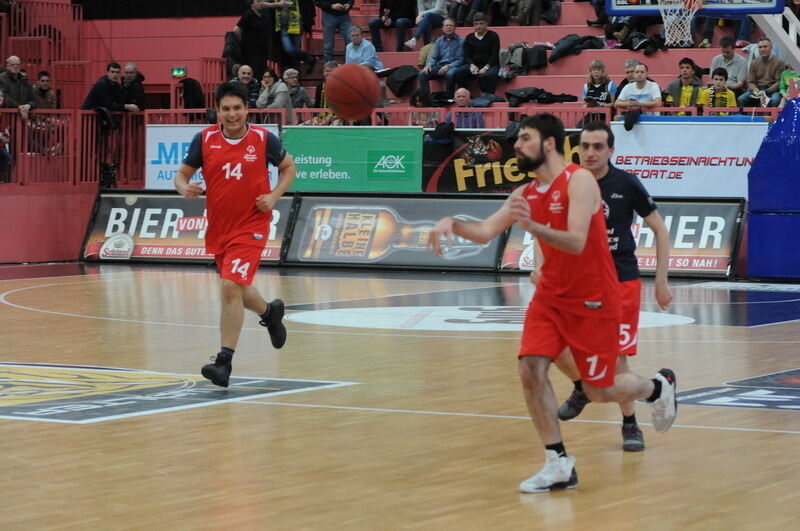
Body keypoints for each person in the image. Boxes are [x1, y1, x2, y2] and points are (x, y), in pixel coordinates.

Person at [428, 113, 677, 493]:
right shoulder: (525, 193)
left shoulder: (578, 181)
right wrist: (451, 222)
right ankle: (558, 461)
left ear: (547, 143)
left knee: (600, 390)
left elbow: (576, 241)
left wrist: (535, 228)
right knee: (530, 368)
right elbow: (483, 231)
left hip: (594, 297)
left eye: (524, 138)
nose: (516, 145)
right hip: (551, 297)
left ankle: (657, 388)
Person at [547, 121, 673, 452]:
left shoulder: (626, 183)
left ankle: (630, 424)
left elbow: (660, 229)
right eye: (585, 146)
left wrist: (661, 280)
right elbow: (547, 225)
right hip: (578, 281)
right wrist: (541, 266)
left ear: (610, 151)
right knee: (553, 347)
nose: (590, 152)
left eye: (598, 147)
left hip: (620, 280)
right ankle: (582, 386)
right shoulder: (566, 182)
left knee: (617, 363)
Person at [174, 82, 296, 387]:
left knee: (229, 287)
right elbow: (181, 175)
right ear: (218, 111)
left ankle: (224, 362)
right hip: (219, 228)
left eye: (237, 108)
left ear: (246, 109)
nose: (232, 114)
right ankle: (270, 313)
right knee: (238, 289)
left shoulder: (262, 139)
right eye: (226, 109)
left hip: (252, 225)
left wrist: (274, 196)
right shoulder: (204, 139)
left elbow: (289, 167)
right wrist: (183, 188)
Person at [417, 18, 463, 105]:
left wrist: (448, 66)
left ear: (454, 28)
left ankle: (450, 98)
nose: (448, 27)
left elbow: (460, 59)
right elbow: (434, 57)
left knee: (450, 74)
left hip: (454, 66)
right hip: (440, 65)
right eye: (446, 25)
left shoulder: (461, 41)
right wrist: (428, 65)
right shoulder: (439, 41)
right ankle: (426, 100)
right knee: (422, 74)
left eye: (451, 25)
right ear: (442, 28)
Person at [455, 12, 500, 96]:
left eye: (481, 23)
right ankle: (465, 96)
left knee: (492, 74)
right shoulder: (469, 37)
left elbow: (495, 54)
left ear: (486, 24)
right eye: (476, 24)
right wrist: (471, 65)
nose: (478, 26)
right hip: (474, 65)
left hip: (490, 65)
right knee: (459, 72)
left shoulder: (493, 36)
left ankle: (489, 97)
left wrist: (486, 67)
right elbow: (466, 55)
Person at [737, 37, 785, 108]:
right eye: (760, 47)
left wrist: (766, 91)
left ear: (771, 48)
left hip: (773, 91)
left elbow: (779, 82)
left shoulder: (779, 62)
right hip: (758, 90)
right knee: (741, 99)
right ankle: (744, 118)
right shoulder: (754, 63)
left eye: (765, 47)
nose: (762, 49)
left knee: (775, 100)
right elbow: (751, 81)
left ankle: (771, 119)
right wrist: (754, 88)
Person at [233, 0, 274, 80]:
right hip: (251, 52)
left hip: (262, 51)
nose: (261, 3)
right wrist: (241, 42)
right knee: (255, 75)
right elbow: (236, 30)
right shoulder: (248, 15)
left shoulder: (262, 16)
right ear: (251, 3)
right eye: (258, 1)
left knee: (262, 75)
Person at [275, 0, 317, 74]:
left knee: (295, 50)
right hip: (283, 25)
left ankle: (295, 74)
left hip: (297, 23)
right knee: (289, 49)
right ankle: (309, 58)